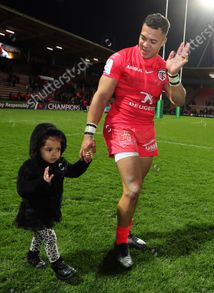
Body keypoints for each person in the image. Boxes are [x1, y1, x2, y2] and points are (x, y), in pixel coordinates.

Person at [79, 13, 190, 268]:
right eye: (142, 37)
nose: (145, 44)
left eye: (152, 40)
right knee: (133, 188)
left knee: (135, 189)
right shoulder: (119, 59)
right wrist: (89, 132)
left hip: (146, 131)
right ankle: (120, 244)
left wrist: (174, 75)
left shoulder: (164, 67)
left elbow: (179, 101)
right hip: (120, 126)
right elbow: (101, 95)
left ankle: (126, 233)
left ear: (163, 42)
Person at [15, 123, 92, 280]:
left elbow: (73, 172)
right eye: (49, 149)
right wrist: (41, 182)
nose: (54, 153)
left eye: (58, 149)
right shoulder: (30, 167)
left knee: (39, 235)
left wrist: (84, 162)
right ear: (37, 148)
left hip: (49, 209)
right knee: (49, 236)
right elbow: (22, 189)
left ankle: (32, 256)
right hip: (33, 211)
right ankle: (58, 265)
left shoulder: (60, 164)